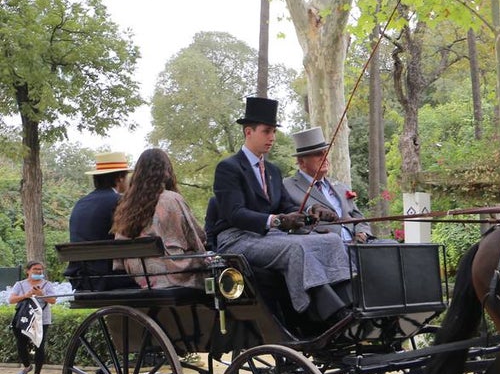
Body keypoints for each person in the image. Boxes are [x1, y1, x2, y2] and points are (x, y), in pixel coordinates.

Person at [209, 97, 352, 322]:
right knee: (296, 248)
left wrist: (312, 211)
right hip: (237, 239)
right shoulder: (229, 168)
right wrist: (276, 221)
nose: (272, 137)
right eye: (267, 131)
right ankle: (309, 313)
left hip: (270, 237)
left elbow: (287, 206)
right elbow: (234, 214)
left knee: (332, 240)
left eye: (274, 132)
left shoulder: (273, 171)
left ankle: (347, 302)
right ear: (249, 132)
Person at [111, 148, 208, 288]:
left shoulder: (127, 202)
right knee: (211, 263)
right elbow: (195, 236)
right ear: (166, 171)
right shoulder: (171, 199)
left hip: (140, 273)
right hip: (169, 270)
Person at [282, 127, 372, 244]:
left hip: (358, 245)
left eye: (325, 152)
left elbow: (359, 218)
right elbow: (290, 220)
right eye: (318, 154)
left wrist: (362, 234)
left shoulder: (340, 186)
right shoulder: (286, 186)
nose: (324, 158)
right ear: (301, 162)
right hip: (323, 246)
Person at [64, 152, 135, 290]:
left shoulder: (81, 203)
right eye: (126, 176)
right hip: (110, 278)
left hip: (80, 278)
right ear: (120, 178)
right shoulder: (121, 201)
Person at [8, 261, 58, 374]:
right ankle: (27, 366)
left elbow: (53, 300)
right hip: (24, 319)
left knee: (39, 345)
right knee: (21, 344)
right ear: (28, 271)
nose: (38, 271)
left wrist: (42, 294)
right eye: (35, 269)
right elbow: (11, 300)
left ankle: (37, 373)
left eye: (40, 269)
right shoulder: (20, 285)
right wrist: (26, 295)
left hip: (42, 319)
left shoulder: (47, 284)